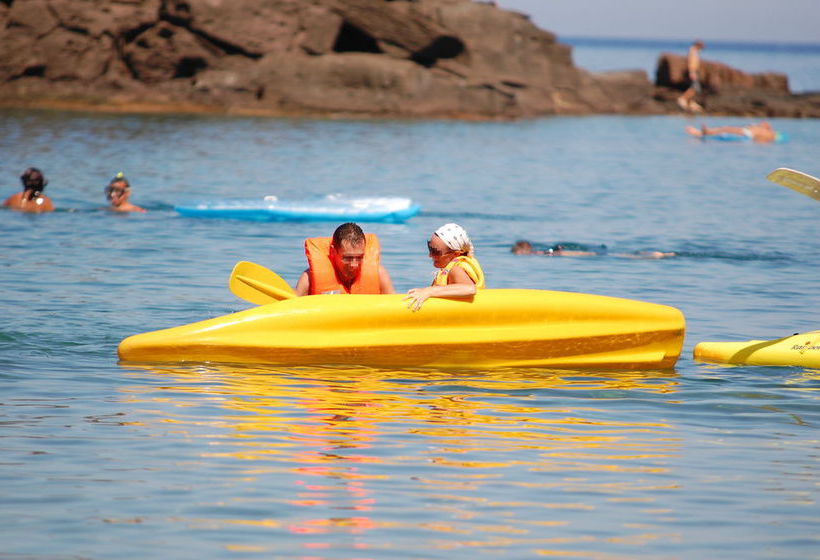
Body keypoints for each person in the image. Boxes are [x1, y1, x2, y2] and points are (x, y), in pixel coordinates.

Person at [295, 222, 395, 296]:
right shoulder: (308, 279)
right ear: (333, 252)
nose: (354, 265)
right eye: (347, 258)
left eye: (360, 257)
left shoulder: (380, 275)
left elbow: (396, 307)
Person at [405, 223, 485, 311]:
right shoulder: (454, 267)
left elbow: (469, 289)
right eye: (430, 248)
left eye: (435, 252)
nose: (430, 255)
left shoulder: (456, 270)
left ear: (456, 254)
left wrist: (429, 291)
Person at [512, 240, 675, 259]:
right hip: (570, 253)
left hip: (571, 254)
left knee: (622, 255)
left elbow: (553, 250)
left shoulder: (535, 253)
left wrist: (553, 251)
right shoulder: (536, 252)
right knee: (621, 254)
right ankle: (654, 254)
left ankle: (653, 255)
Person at [685, 121, 779, 143]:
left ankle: (703, 132)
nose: (763, 123)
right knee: (725, 129)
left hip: (748, 134)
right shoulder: (767, 131)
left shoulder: (769, 133)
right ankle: (702, 132)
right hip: (747, 132)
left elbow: (760, 139)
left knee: (726, 128)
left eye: (765, 124)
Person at [677, 40, 704, 112]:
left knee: (695, 87)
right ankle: (683, 99)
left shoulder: (694, 51)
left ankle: (690, 102)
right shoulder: (693, 51)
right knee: (694, 87)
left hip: (694, 71)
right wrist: (692, 72)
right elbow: (690, 62)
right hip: (693, 72)